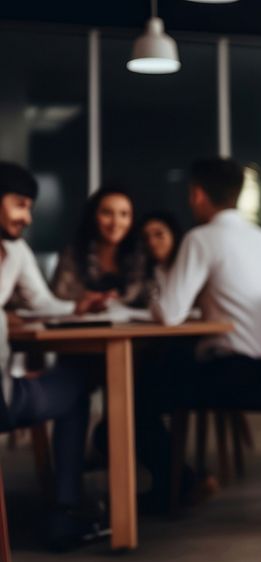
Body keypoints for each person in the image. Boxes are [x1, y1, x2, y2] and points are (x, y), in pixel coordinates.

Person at [129, 157, 261, 508]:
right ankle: (120, 452)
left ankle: (175, 486)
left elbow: (169, 314)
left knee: (135, 394)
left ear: (198, 195)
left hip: (234, 372)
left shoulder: (202, 239)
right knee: (159, 374)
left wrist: (158, 281)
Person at [0, 162, 103, 549]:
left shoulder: (14, 249)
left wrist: (78, 307)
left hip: (5, 388)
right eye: (19, 204)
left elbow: (41, 302)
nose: (26, 217)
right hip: (3, 399)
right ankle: (65, 511)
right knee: (76, 385)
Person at [51, 185, 148, 310]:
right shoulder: (73, 254)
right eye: (107, 213)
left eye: (124, 214)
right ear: (94, 216)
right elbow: (58, 297)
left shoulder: (142, 255)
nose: (115, 222)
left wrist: (117, 300)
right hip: (80, 327)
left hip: (133, 328)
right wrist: (82, 298)